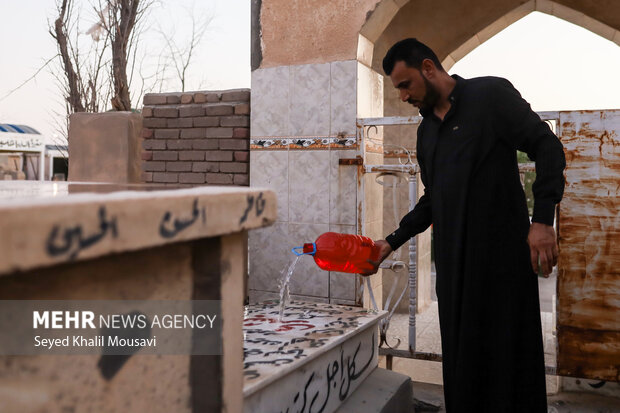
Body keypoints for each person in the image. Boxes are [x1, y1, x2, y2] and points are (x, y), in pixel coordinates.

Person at [363, 38, 566, 412]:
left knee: (509, 362)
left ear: (428, 67)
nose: (404, 96)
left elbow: (547, 146)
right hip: (455, 271)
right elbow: (432, 199)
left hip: (502, 263)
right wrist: (390, 242)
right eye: (398, 89)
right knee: (464, 365)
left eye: (406, 84)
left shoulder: (490, 95)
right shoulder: (427, 133)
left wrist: (542, 221)